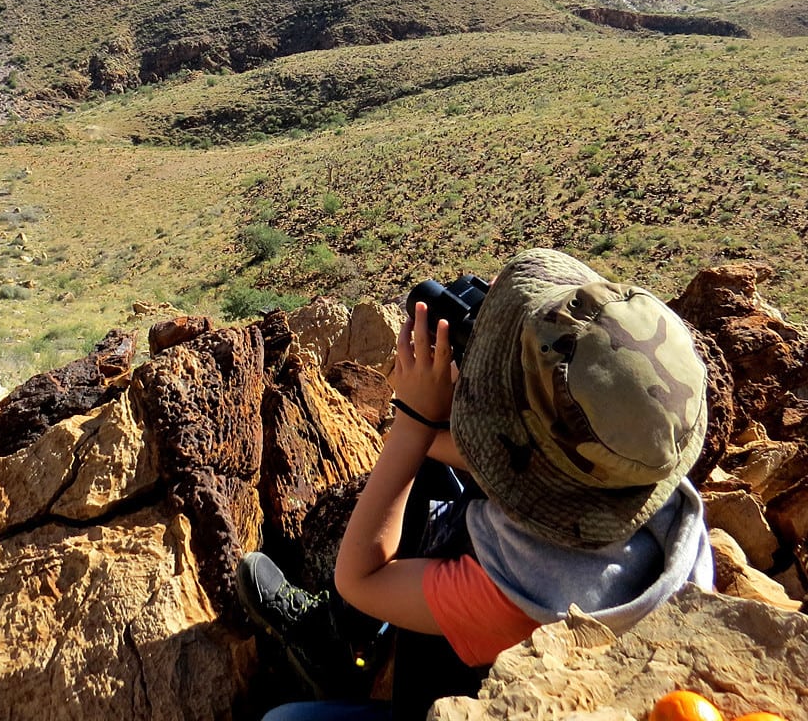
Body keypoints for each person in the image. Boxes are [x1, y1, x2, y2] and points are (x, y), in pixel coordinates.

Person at [237, 248, 715, 721]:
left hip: (461, 702)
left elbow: (360, 580)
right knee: (429, 468)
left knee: (282, 720)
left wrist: (414, 421)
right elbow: (524, 458)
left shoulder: (522, 591)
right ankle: (350, 638)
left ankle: (335, 654)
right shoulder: (643, 472)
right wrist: (450, 423)